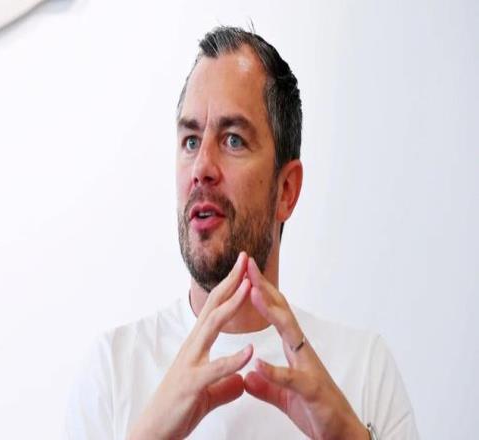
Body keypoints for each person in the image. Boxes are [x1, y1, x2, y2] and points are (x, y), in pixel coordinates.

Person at [65, 26, 419, 439]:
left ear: (286, 191)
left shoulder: (364, 371)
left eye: (233, 140)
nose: (201, 168)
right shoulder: (112, 372)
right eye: (190, 140)